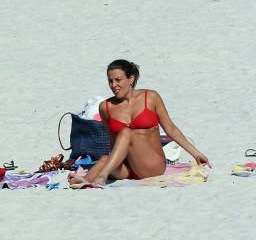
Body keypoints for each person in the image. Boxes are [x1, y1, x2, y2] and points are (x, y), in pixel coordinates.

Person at [69, 60, 209, 187]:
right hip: (129, 168)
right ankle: (86, 179)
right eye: (110, 81)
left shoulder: (151, 97)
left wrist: (196, 154)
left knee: (125, 132)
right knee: (106, 157)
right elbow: (113, 142)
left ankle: (102, 177)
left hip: (152, 165)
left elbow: (170, 129)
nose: (113, 85)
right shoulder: (105, 107)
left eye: (118, 80)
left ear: (131, 79)